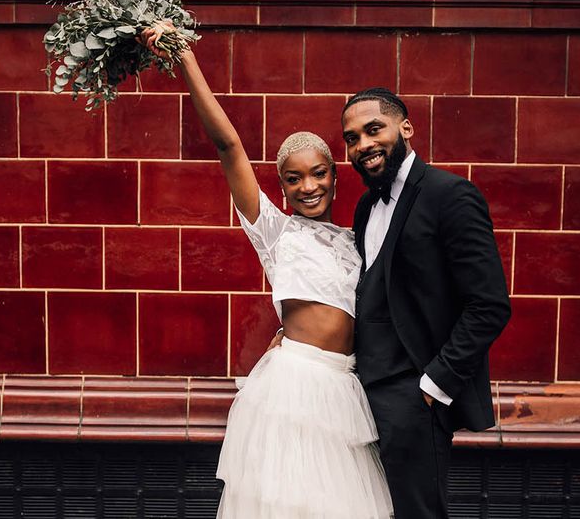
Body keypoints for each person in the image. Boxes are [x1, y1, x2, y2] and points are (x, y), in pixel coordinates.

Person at [140, 29, 393, 518]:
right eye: (293, 178)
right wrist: (186, 57)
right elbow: (228, 145)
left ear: (336, 176)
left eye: (319, 173)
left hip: (345, 392)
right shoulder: (276, 232)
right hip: (293, 388)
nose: (309, 186)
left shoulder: (359, 239)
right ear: (281, 188)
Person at [341, 87, 512, 519]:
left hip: (415, 399)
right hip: (360, 395)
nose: (363, 145)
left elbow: (489, 304)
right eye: (352, 137)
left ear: (406, 127)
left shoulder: (451, 195)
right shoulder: (364, 207)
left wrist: (434, 385)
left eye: (373, 129)